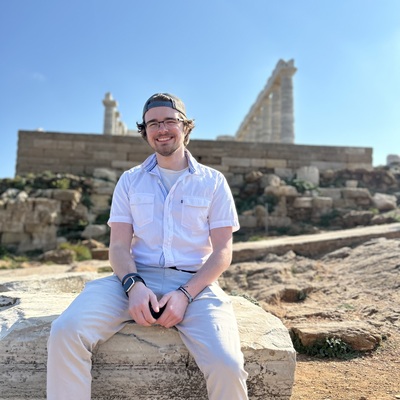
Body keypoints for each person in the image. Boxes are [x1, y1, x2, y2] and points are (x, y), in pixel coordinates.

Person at [46, 93, 249, 399]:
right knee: (66, 331)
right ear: (145, 131)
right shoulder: (129, 181)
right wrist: (133, 286)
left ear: (185, 126)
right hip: (133, 278)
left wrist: (184, 294)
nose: (161, 129)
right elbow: (118, 247)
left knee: (228, 365)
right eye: (153, 123)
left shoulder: (213, 182)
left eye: (169, 121)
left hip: (195, 284)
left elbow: (223, 251)